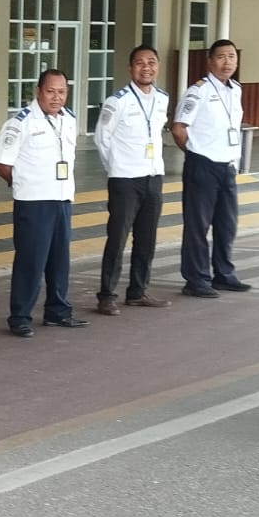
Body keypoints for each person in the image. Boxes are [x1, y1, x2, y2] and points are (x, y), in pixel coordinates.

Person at [0, 69, 88, 338]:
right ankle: (20, 316)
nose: (56, 97)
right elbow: (1, 161)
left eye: (62, 92)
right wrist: (22, 182)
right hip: (34, 202)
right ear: (38, 91)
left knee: (60, 260)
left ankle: (58, 311)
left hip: (62, 199)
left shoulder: (68, 119)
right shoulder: (21, 122)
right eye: (50, 91)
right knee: (30, 261)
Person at [93, 44, 171, 314]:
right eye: (140, 62)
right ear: (130, 68)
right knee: (117, 238)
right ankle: (106, 294)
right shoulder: (119, 101)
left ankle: (138, 291)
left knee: (146, 239)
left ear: (157, 66)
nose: (146, 67)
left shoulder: (162, 98)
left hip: (153, 177)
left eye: (151, 62)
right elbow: (101, 137)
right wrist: (115, 168)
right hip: (125, 179)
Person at [170, 38, 251, 297]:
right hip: (203, 165)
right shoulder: (199, 90)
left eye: (231, 57)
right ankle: (196, 279)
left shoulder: (235, 89)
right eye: (221, 57)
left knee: (227, 224)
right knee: (198, 225)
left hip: (227, 166)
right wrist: (196, 154)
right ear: (210, 61)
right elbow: (179, 128)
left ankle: (224, 274)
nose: (227, 62)